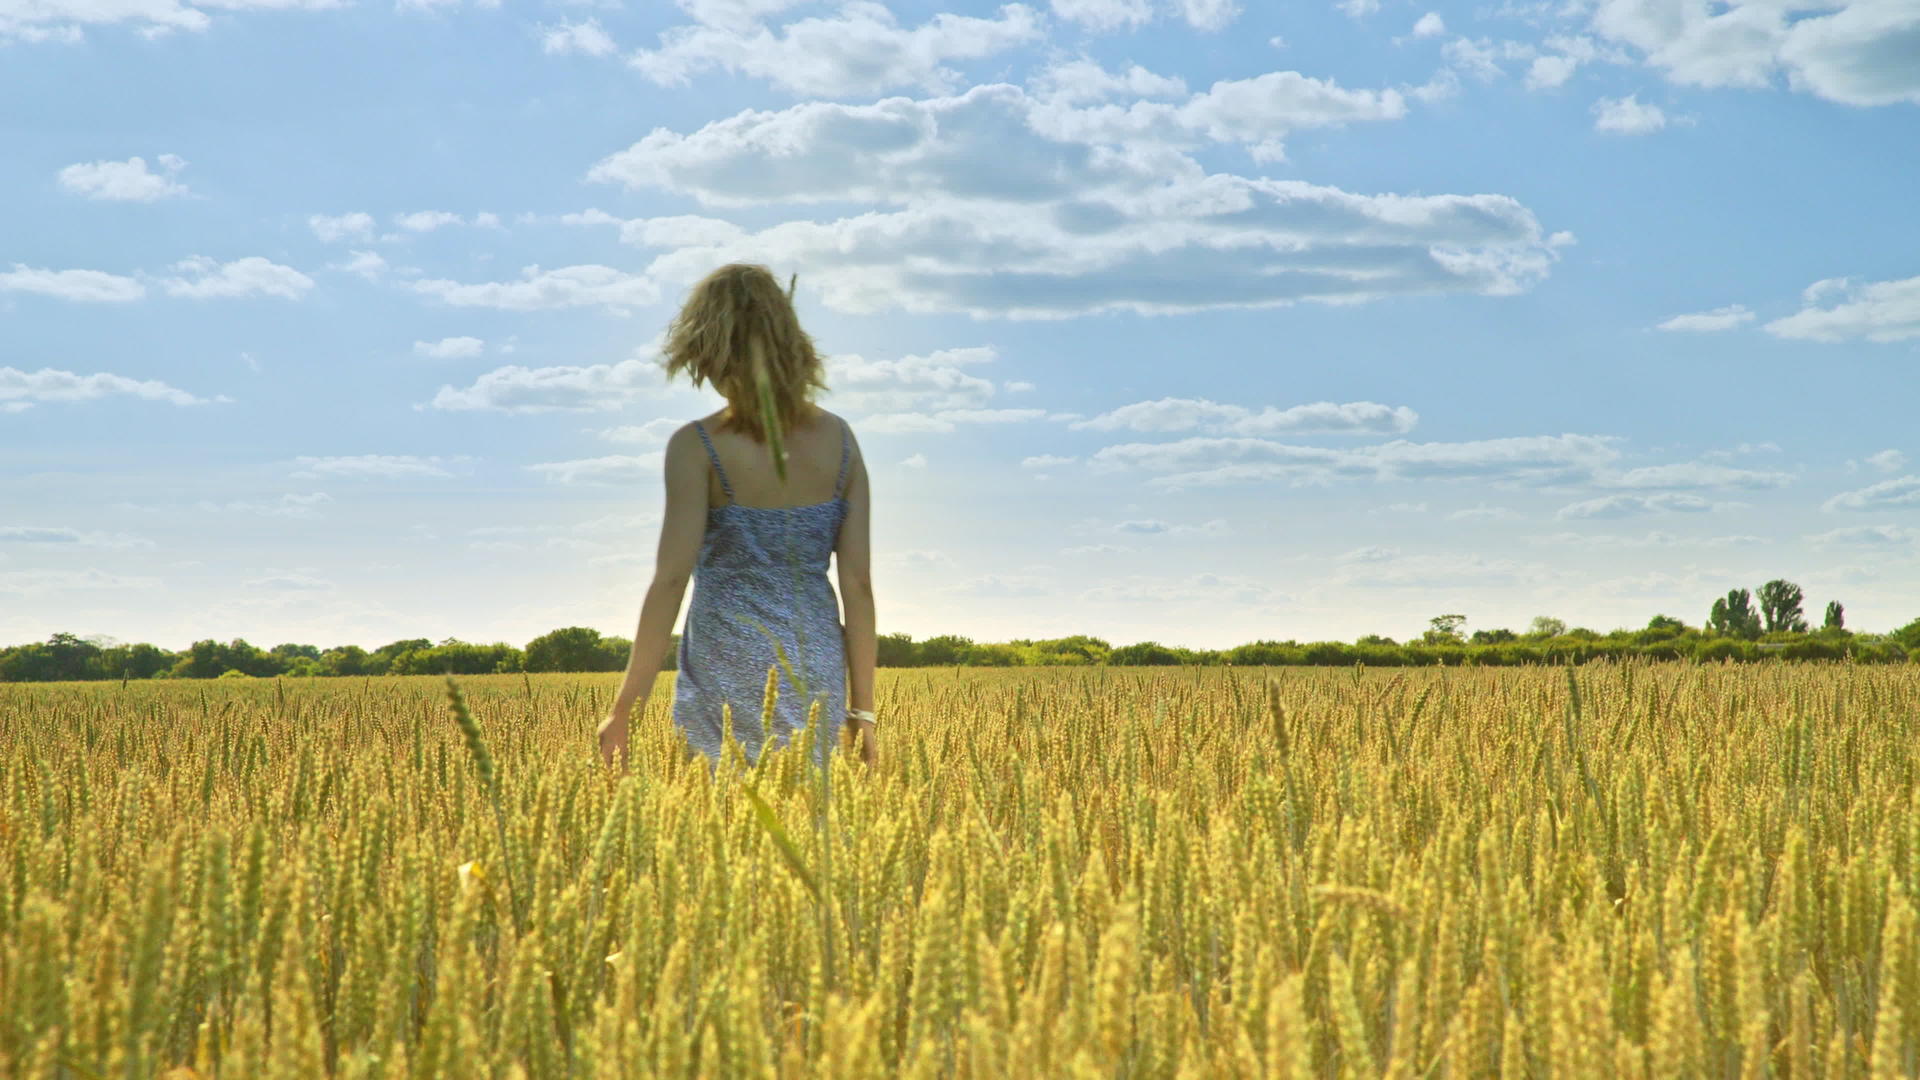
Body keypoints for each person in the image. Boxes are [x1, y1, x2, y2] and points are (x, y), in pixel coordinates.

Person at [596, 263, 878, 769]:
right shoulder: (841, 441)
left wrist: (624, 711)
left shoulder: (697, 447)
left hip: (724, 674)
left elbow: (670, 581)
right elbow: (857, 584)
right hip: (816, 670)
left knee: (721, 824)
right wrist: (864, 711)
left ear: (712, 351)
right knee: (809, 825)